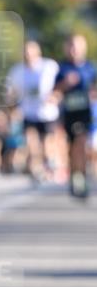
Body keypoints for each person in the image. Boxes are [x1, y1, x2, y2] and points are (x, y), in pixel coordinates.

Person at [6, 40, 59, 183]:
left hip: (47, 113)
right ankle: (37, 169)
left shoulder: (49, 66)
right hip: (28, 113)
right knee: (31, 143)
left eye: (31, 51)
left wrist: (56, 96)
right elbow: (10, 93)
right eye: (26, 52)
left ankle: (49, 163)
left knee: (47, 145)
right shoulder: (17, 71)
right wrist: (13, 108)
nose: (29, 55)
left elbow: (59, 85)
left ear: (38, 52)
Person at [53, 34, 96, 198]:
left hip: (85, 114)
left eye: (77, 46)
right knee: (72, 149)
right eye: (71, 46)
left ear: (83, 48)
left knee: (82, 144)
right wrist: (65, 84)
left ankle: (81, 178)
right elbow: (54, 91)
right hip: (69, 114)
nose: (74, 50)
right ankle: (75, 176)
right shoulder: (62, 69)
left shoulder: (90, 68)